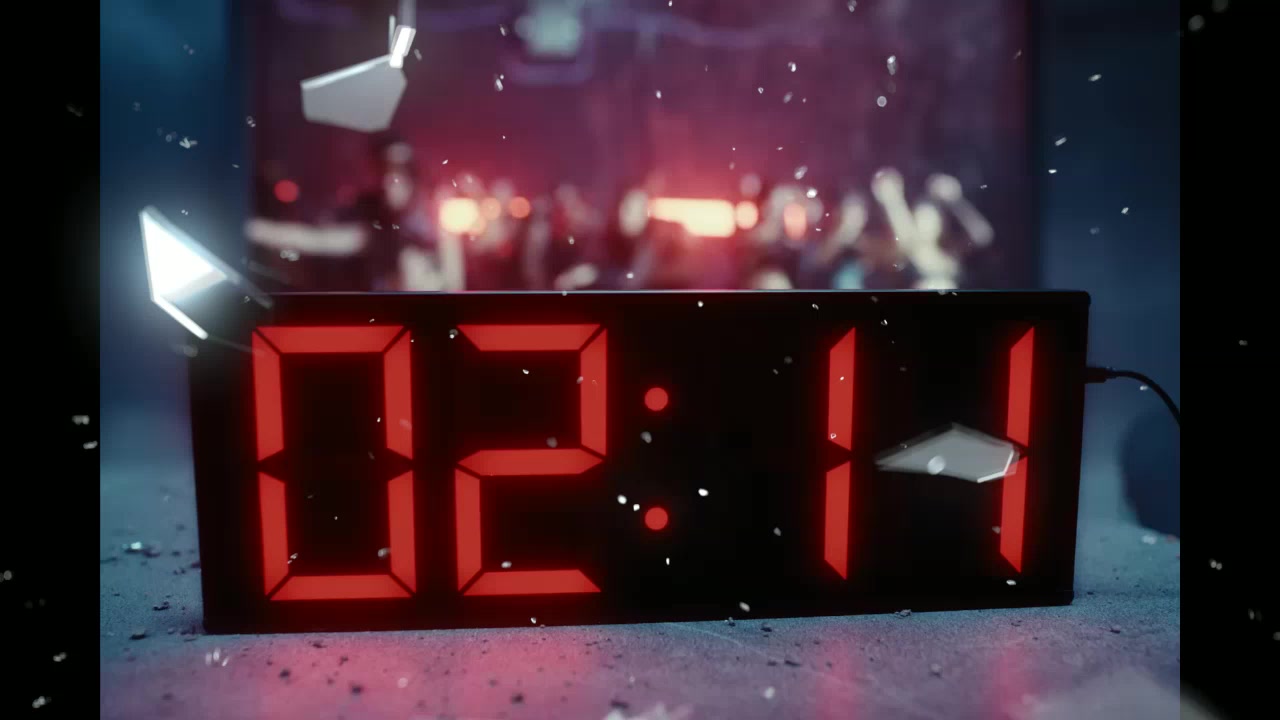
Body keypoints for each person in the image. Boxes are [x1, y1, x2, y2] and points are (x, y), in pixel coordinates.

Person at [245, 135, 463, 291]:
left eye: (398, 174)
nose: (388, 183)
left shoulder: (439, 219)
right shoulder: (375, 232)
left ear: (413, 177)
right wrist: (253, 229)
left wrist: (427, 285)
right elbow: (317, 240)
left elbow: (455, 284)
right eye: (384, 173)